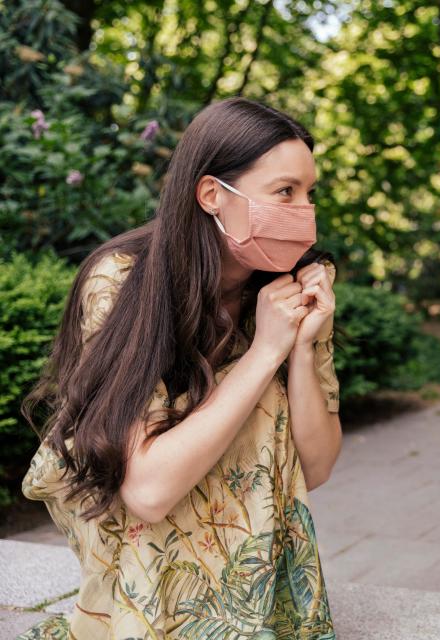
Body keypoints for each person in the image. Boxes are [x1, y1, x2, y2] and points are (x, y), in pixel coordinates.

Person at [19, 97, 341, 639]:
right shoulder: (124, 281)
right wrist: (265, 352)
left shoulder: (294, 288)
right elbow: (146, 491)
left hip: (249, 561)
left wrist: (301, 349)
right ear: (213, 195)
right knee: (250, 386)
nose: (303, 210)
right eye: (285, 192)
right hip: (142, 546)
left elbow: (316, 467)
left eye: (310, 193)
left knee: (264, 395)